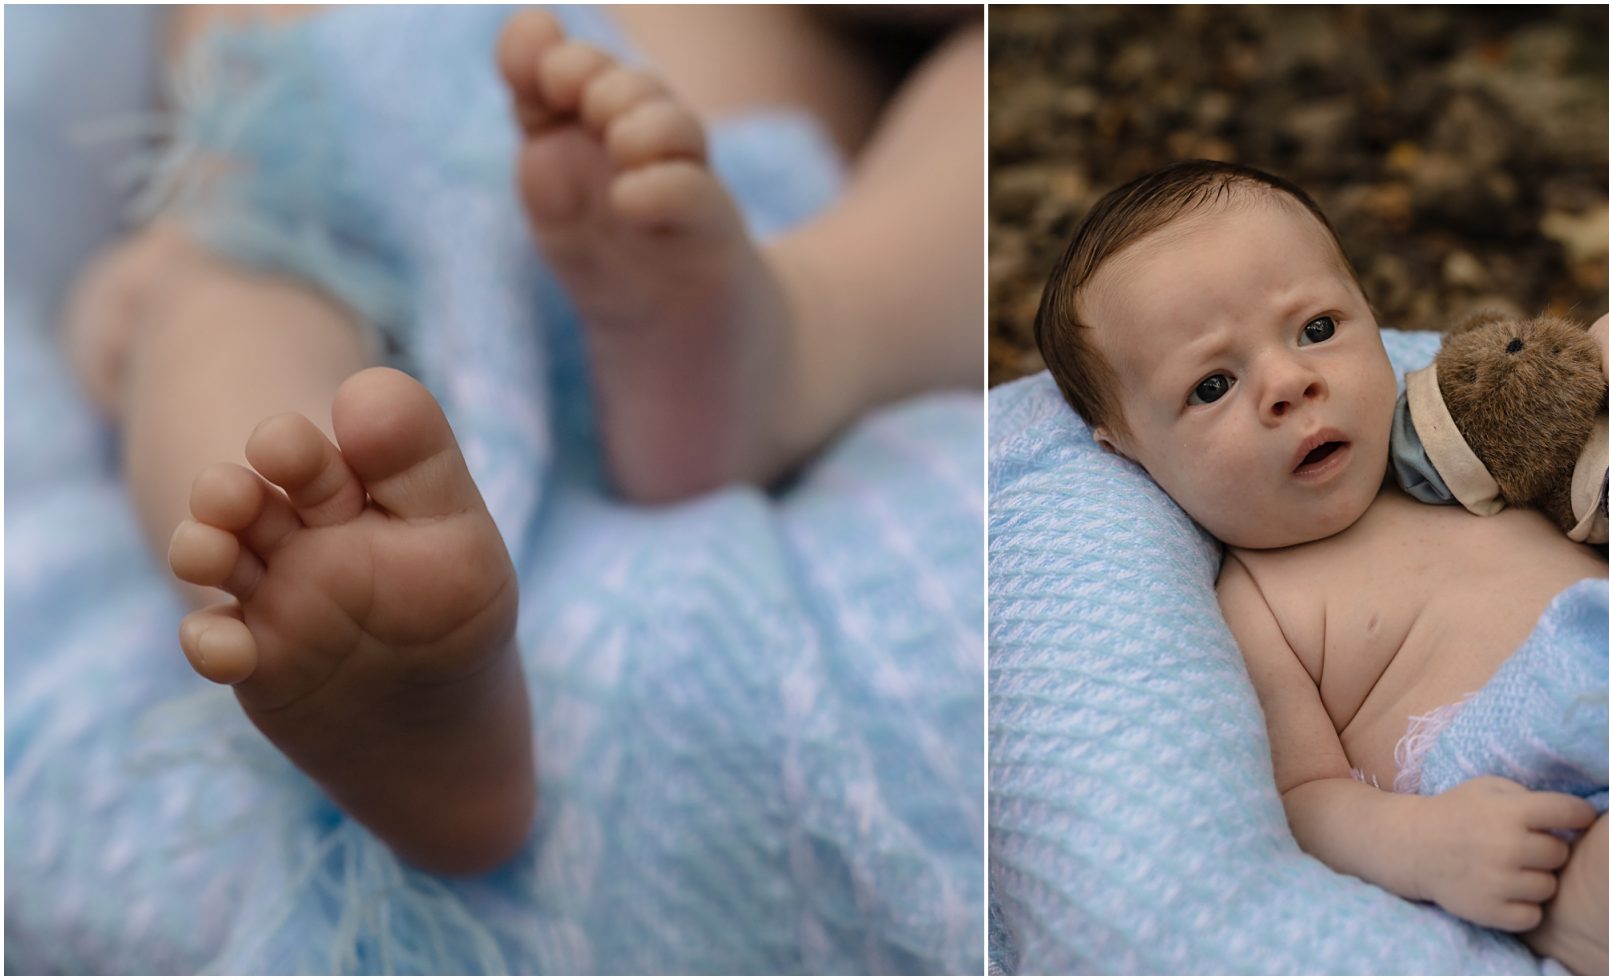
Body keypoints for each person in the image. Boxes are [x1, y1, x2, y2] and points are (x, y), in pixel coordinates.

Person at [57, 5, 981, 876]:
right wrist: (163, 242)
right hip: (313, 199)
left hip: (711, 220)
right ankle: (352, 635)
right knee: (223, 318)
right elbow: (200, 98)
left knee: (982, 105)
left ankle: (786, 352)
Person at [1032, 159, 1609, 974]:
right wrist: (1427, 846)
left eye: (1317, 329)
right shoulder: (1255, 605)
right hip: (1544, 790)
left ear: (1371, 315)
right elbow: (1306, 801)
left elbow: (1581, 444)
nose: (1290, 383)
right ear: (1130, 449)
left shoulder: (1455, 435)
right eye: (1212, 384)